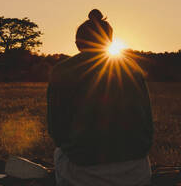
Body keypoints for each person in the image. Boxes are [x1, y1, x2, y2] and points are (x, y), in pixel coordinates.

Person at [47, 9, 154, 186]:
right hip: (136, 172)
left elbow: (56, 131)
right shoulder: (133, 69)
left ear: (77, 43)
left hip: (82, 173)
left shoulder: (62, 70)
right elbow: (147, 125)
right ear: (109, 41)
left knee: (59, 154)